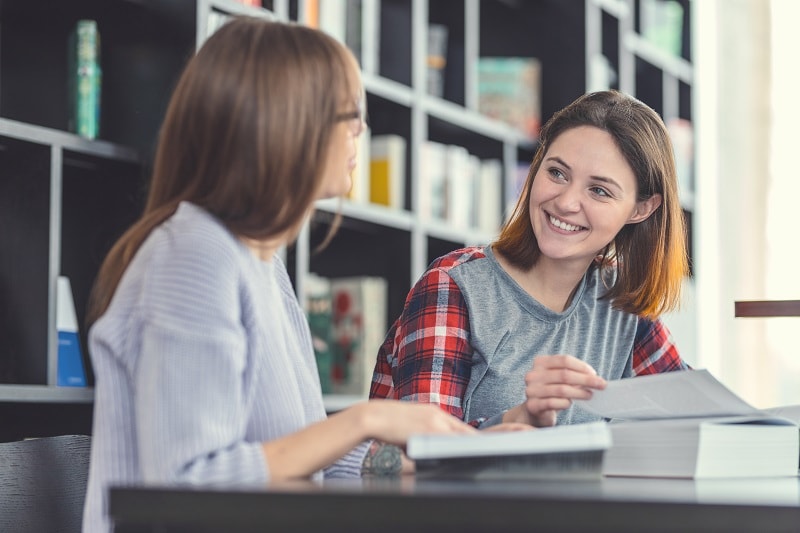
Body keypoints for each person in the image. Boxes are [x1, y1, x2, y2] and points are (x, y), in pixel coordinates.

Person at [81, 17, 477, 533]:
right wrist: (367, 418)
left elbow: (308, 459)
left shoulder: (261, 264)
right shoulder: (194, 257)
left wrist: (463, 455)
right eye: (350, 116)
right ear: (290, 124)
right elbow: (185, 484)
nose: (361, 131)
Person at [370, 90, 690, 429]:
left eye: (599, 190)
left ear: (641, 209)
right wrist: (517, 421)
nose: (566, 202)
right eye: (557, 173)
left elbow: (693, 414)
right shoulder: (455, 286)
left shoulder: (623, 304)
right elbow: (419, 450)